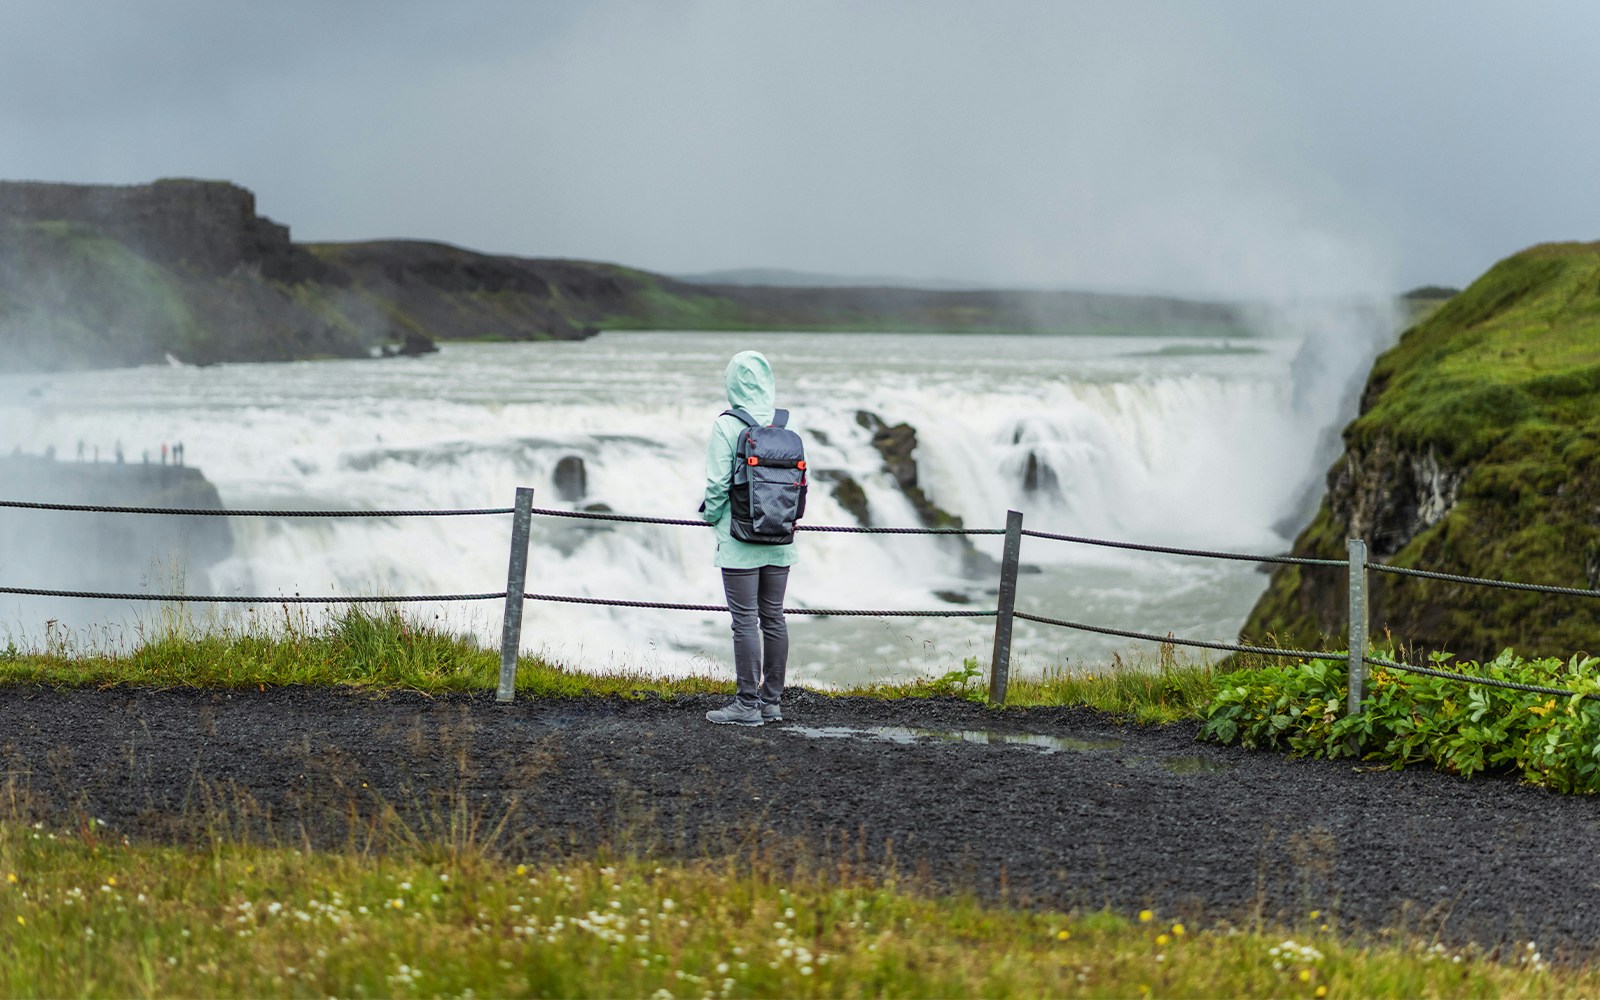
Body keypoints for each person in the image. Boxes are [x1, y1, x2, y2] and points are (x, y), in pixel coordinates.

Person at [700, 350, 798, 727]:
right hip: (781, 536)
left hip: (739, 539)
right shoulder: (783, 424)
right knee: (773, 617)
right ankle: (771, 703)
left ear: (732, 383)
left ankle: (746, 705)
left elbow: (716, 484)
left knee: (744, 620)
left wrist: (711, 517)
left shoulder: (727, 425)